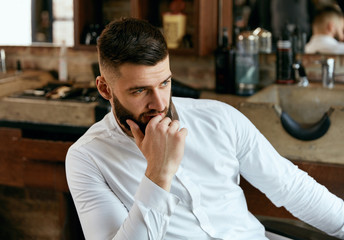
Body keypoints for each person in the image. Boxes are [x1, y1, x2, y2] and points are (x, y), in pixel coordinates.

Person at [65, 18, 344, 240]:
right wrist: (158, 174)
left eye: (164, 83)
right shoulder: (87, 158)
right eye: (140, 90)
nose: (160, 103)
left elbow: (292, 188)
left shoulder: (219, 118)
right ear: (105, 89)